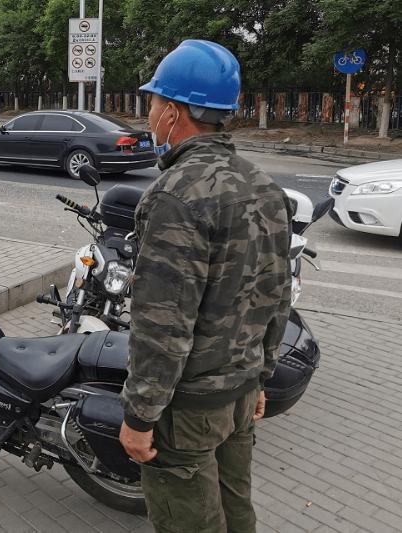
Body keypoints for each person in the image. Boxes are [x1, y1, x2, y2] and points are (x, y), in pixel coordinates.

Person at [117, 40, 292, 533]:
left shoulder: (176, 196)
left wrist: (140, 414)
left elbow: (162, 325)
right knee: (237, 512)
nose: (149, 114)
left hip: (189, 407)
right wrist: (262, 376)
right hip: (240, 394)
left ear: (174, 112)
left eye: (152, 103)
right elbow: (277, 294)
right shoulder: (261, 183)